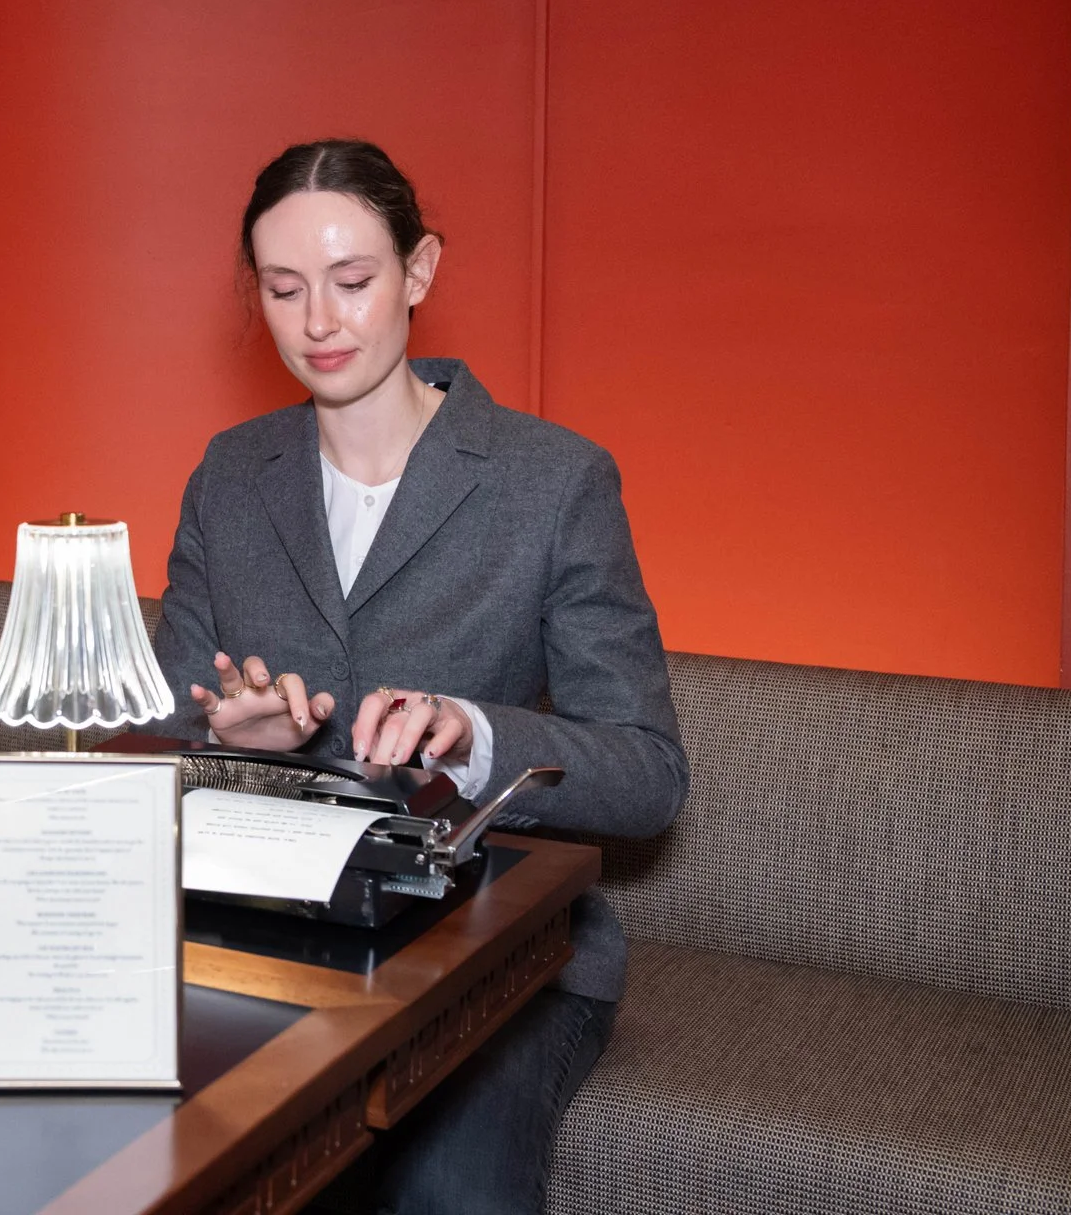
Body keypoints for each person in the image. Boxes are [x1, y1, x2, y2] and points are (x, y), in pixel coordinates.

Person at [158, 139, 686, 1215]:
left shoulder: (554, 480)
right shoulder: (229, 472)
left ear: (419, 270)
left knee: (445, 1186)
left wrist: (471, 727)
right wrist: (230, 738)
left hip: (497, 945)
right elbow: (167, 727)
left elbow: (647, 773)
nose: (319, 322)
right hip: (272, 928)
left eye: (352, 282)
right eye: (283, 288)